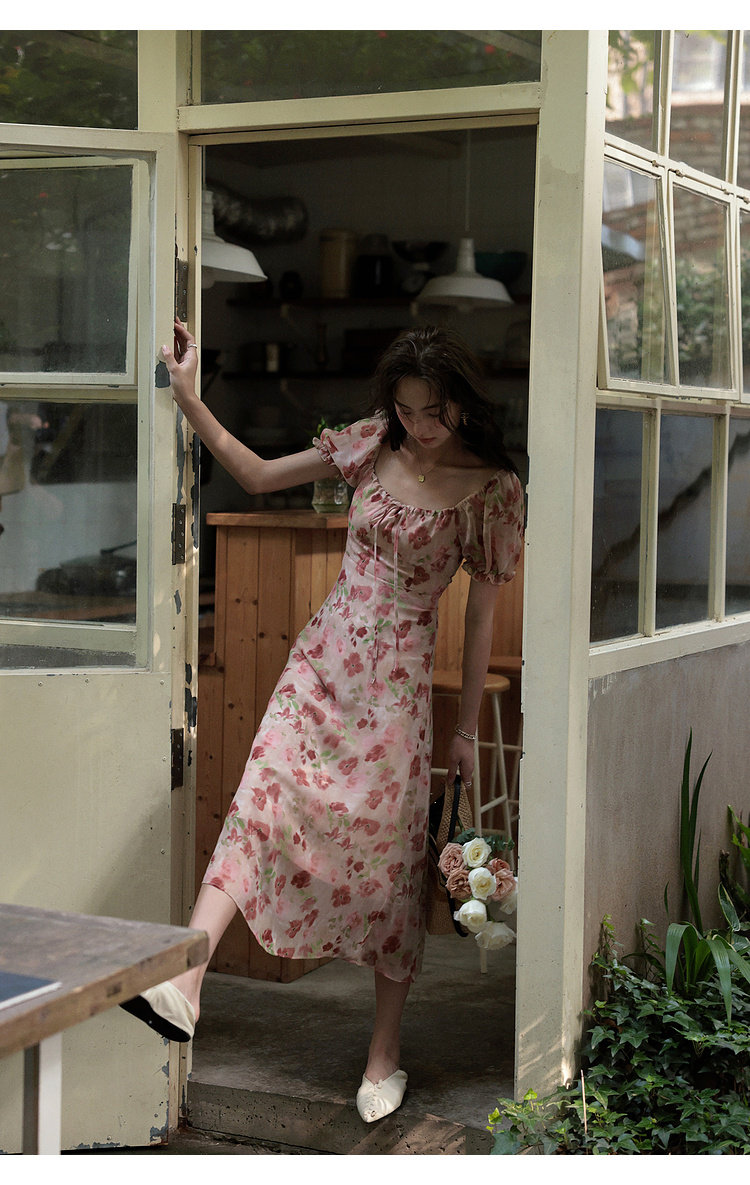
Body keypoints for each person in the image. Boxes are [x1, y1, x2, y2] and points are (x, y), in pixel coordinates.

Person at [121, 319, 524, 1123]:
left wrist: (467, 730)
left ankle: (384, 1053)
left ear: (462, 402)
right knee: (261, 798)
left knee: (390, 866)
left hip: (396, 695)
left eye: (435, 411)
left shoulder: (493, 490)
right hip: (320, 664)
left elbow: (481, 615)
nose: (420, 426)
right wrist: (190, 399)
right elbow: (258, 474)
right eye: (407, 409)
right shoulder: (370, 443)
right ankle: (186, 982)